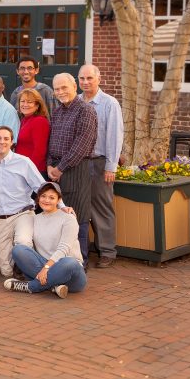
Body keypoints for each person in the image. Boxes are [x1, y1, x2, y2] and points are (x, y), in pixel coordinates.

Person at [0, 125, 50, 278]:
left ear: (12, 142)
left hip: (22, 213)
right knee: (6, 271)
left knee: (22, 243)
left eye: (6, 139)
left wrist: (61, 206)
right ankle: (18, 266)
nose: (1, 142)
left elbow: (41, 187)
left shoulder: (24, 162)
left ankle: (41, 275)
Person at [48, 72, 98, 266]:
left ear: (74, 87)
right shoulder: (57, 112)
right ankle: (59, 262)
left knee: (77, 218)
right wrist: (50, 165)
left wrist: (60, 168)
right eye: (57, 89)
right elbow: (51, 142)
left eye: (64, 88)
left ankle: (79, 264)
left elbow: (82, 145)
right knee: (58, 217)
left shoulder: (86, 111)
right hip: (56, 171)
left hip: (76, 170)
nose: (61, 92)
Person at [6, 181, 87, 298]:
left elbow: (64, 249)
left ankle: (31, 287)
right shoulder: (35, 219)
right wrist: (45, 267)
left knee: (69, 262)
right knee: (18, 250)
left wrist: (46, 268)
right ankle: (54, 286)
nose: (46, 200)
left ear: (59, 200)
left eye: (51, 197)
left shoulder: (68, 218)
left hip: (70, 273)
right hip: (45, 267)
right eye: (43, 196)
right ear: (38, 198)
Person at [79, 64, 123, 269]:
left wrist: (110, 166)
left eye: (89, 78)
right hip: (79, 163)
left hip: (99, 162)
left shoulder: (109, 104)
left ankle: (107, 251)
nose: (86, 82)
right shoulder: (77, 101)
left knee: (102, 207)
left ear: (99, 79)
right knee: (81, 206)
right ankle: (83, 249)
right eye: (82, 79)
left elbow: (115, 136)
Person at [15, 88, 51, 175]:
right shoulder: (24, 119)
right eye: (22, 101)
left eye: (29, 102)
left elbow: (40, 151)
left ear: (37, 105)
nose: (25, 104)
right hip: (22, 168)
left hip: (34, 171)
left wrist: (28, 171)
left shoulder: (40, 121)